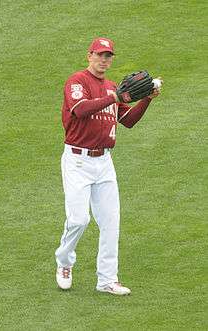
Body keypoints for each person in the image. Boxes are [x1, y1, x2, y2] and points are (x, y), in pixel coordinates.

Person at [55, 37, 162, 295]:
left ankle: (106, 280)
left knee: (111, 222)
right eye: (100, 54)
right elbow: (80, 110)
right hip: (77, 160)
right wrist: (114, 96)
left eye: (108, 56)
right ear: (89, 55)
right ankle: (64, 262)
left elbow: (128, 120)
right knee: (79, 220)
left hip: (104, 162)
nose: (104, 60)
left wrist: (146, 98)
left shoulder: (114, 87)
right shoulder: (77, 81)